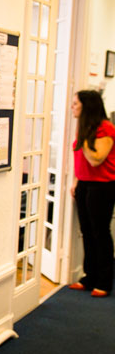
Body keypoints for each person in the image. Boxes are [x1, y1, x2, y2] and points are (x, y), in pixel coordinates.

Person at [69, 89, 115, 297]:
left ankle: (104, 281)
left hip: (102, 186)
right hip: (85, 185)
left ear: (87, 107)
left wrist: (86, 137)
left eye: (76, 104)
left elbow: (96, 159)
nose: (72, 107)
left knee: (100, 233)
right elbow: (81, 158)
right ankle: (90, 277)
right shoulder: (83, 127)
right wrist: (77, 180)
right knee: (86, 232)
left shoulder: (105, 128)